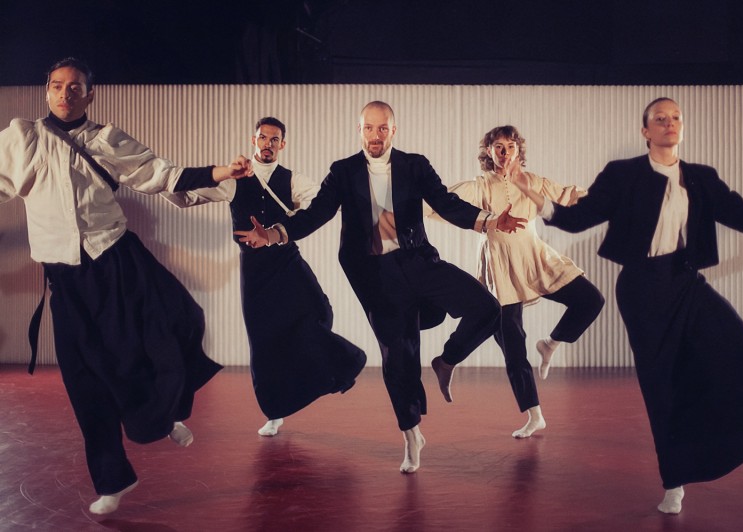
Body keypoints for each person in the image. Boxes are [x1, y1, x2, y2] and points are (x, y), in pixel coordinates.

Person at [514, 97, 743, 514]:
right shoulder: (623, 174)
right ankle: (674, 481)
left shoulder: (701, 178)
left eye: (676, 117)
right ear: (645, 131)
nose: (670, 123)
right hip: (641, 289)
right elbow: (578, 219)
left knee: (738, 345)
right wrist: (539, 201)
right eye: (660, 118)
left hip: (685, 281)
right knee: (661, 385)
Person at [0, 57, 251, 515]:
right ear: (47, 90)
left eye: (75, 87)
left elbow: (162, 175)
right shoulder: (22, 140)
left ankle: (168, 411)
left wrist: (221, 172)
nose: (65, 94)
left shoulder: (106, 140)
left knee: (176, 325)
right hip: (65, 278)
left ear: (90, 95)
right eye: (57, 85)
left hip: (117, 260)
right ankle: (113, 480)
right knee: (84, 379)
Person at [234, 101, 526, 473]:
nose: (376, 136)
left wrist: (490, 221)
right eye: (369, 128)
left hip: (418, 261)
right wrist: (275, 234)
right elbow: (316, 213)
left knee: (486, 308)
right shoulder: (343, 172)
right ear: (360, 131)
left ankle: (446, 360)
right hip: (375, 276)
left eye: (382, 129)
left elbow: (447, 203)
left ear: (393, 131)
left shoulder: (414, 165)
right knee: (398, 356)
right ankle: (411, 436)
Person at [163, 116, 367, 437]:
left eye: (274, 139)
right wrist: (162, 181)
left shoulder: (291, 179)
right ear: (253, 140)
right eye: (262, 137)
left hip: (286, 260)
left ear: (282, 144)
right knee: (263, 343)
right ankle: (274, 412)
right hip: (254, 270)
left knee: (319, 312)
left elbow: (323, 202)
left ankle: (336, 368)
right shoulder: (234, 179)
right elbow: (185, 198)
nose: (267, 144)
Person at [435, 125, 604, 438]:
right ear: (488, 151)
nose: (504, 152)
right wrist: (402, 206)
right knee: (513, 345)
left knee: (591, 300)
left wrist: (610, 197)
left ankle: (550, 344)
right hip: (500, 267)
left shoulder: (533, 181)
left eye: (510, 146)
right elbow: (442, 201)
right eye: (498, 146)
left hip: (535, 258)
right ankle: (534, 415)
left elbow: (569, 196)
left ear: (518, 150)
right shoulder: (480, 185)